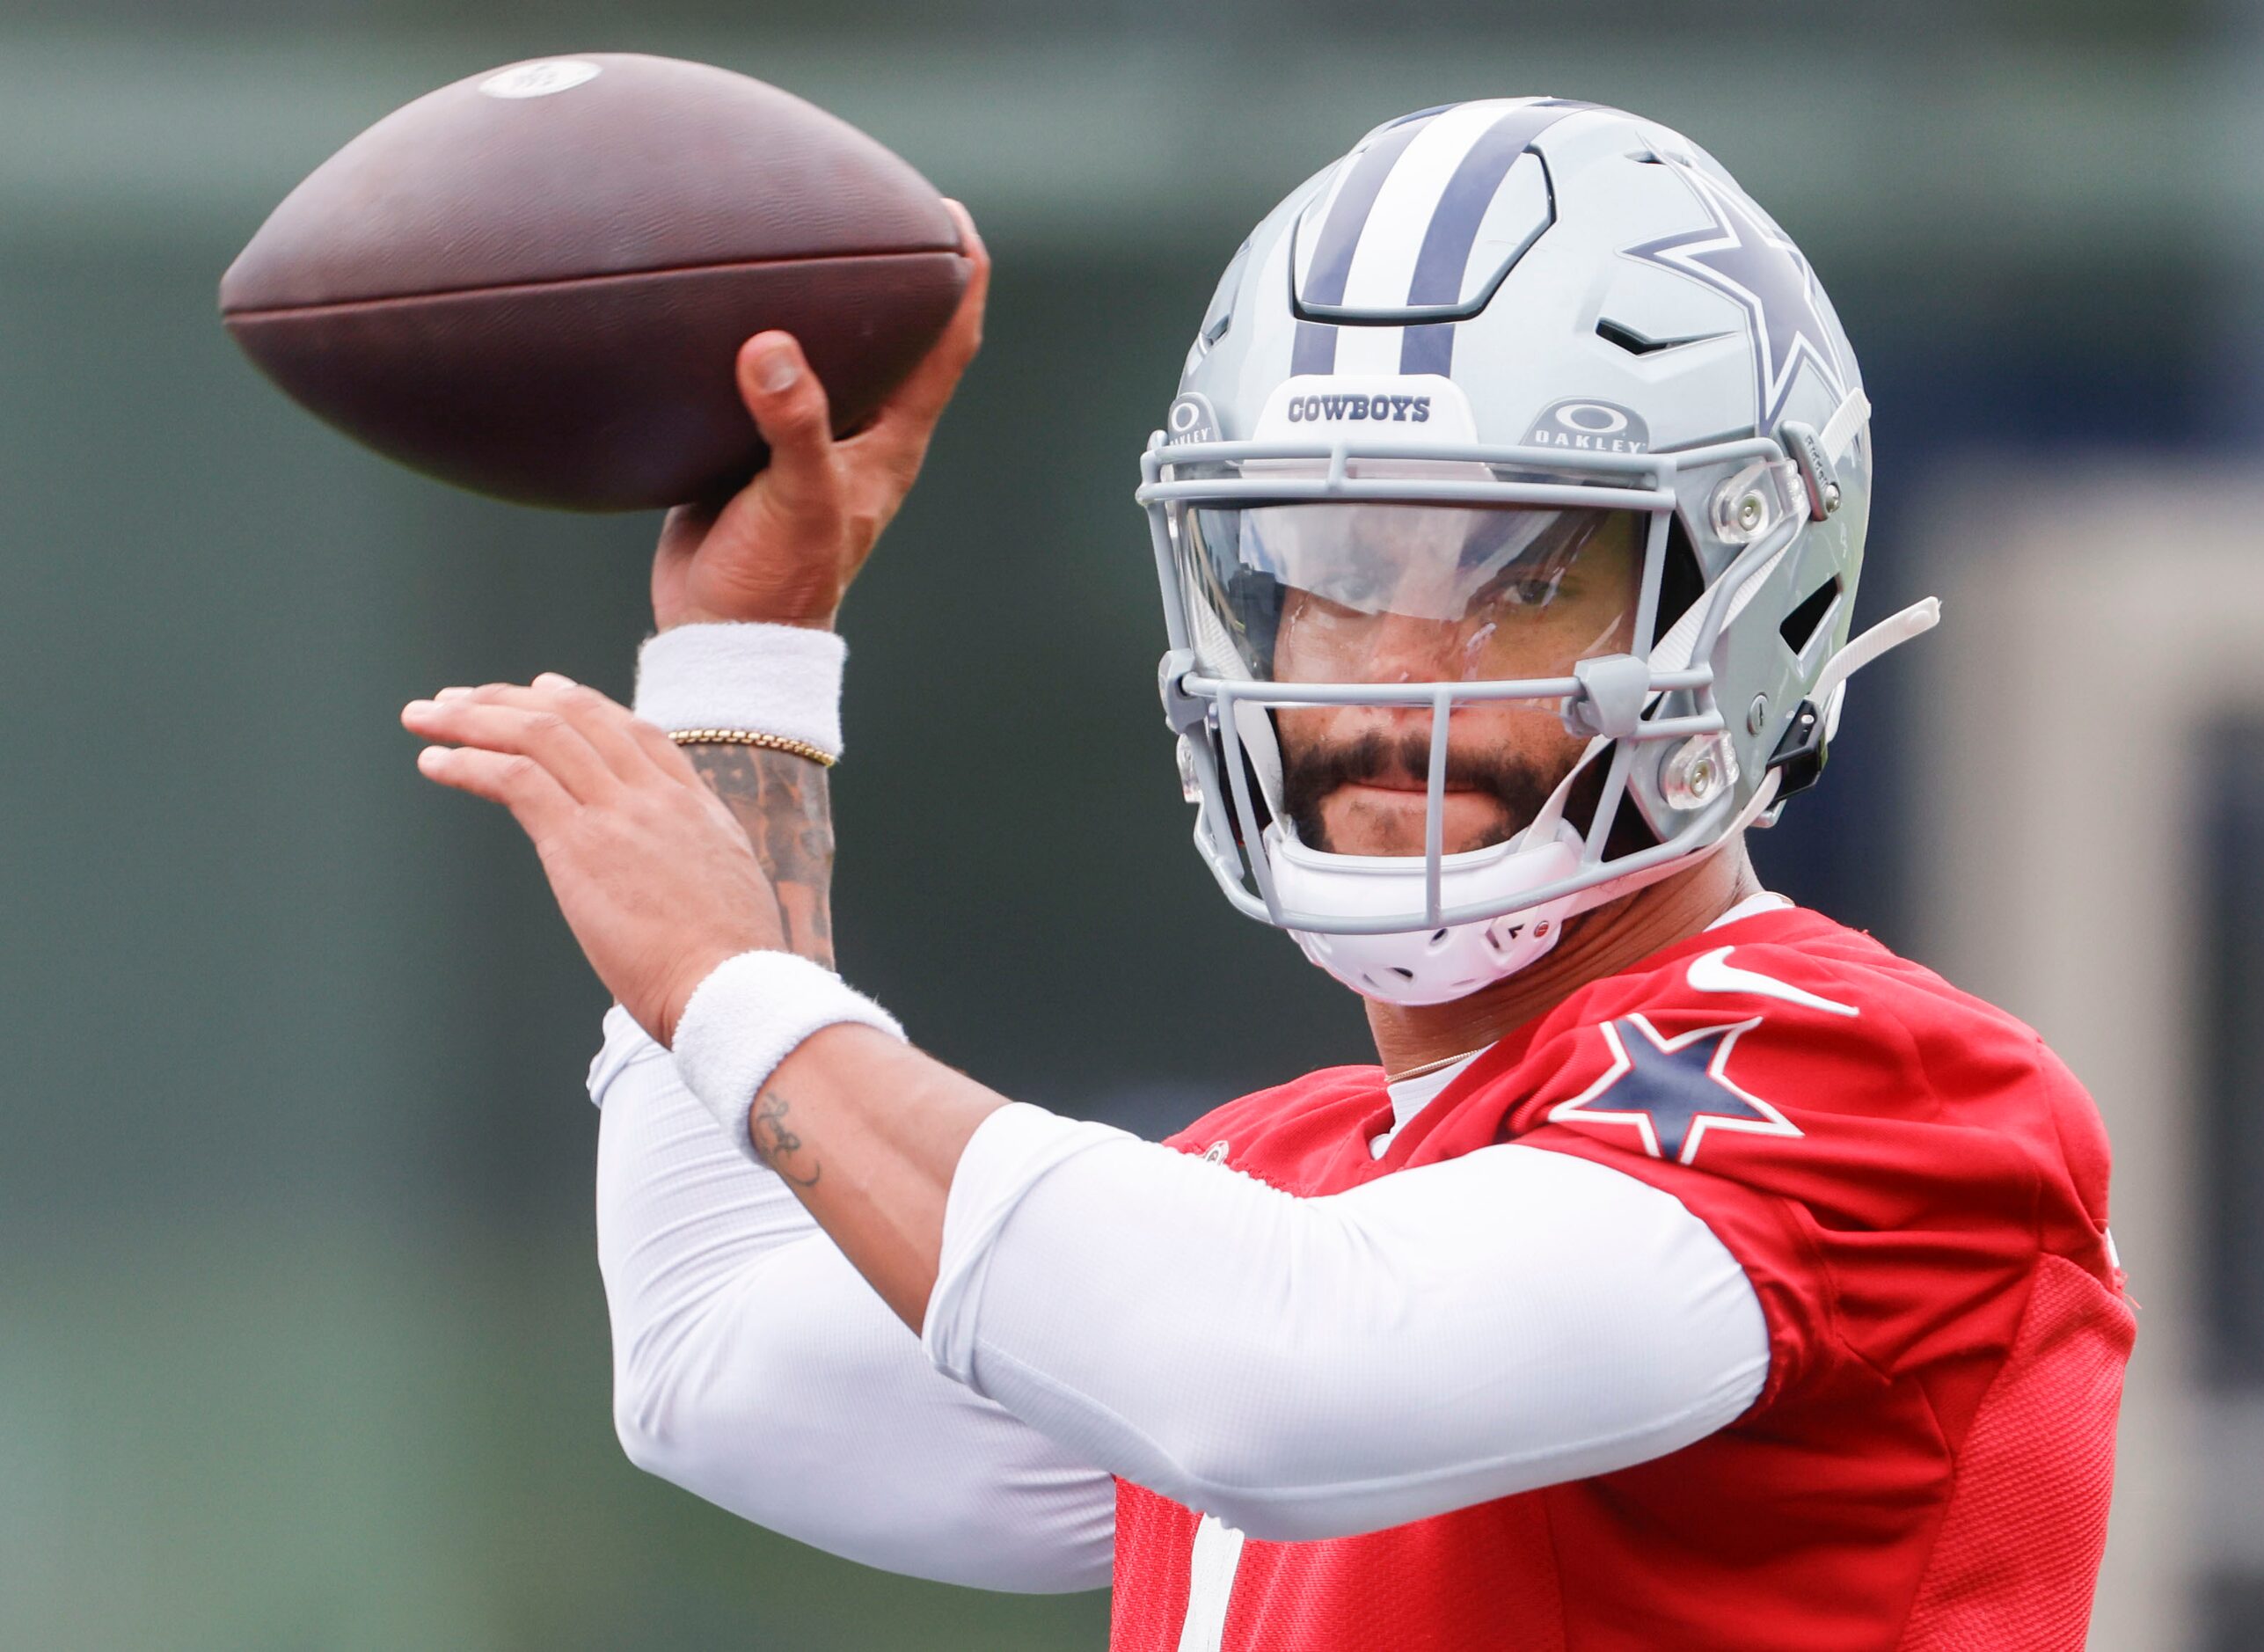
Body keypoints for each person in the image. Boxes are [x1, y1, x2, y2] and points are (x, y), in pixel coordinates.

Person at [402, 99, 2135, 1651]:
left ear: (1748, 603)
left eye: (1517, 581)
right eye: (1327, 565)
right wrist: (741, 680)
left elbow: (1286, 1381)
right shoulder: (1293, 1188)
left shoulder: (1882, 1088)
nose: (1385, 674)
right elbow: (725, 1364)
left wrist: (729, 983)